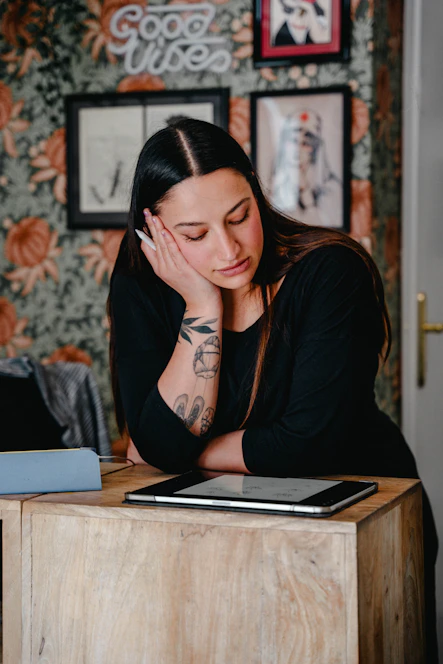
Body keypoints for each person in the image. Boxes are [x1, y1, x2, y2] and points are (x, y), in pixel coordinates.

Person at [107, 118, 438, 661]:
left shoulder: (330, 270)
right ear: (157, 233)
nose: (229, 247)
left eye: (240, 216)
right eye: (195, 234)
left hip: (362, 523)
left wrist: (178, 451)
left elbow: (307, 443)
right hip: (227, 533)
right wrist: (203, 307)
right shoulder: (142, 283)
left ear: (257, 195)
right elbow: (151, 446)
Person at [271, 108, 342, 226]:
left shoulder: (331, 187)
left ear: (315, 149)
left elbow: (322, 224)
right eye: (292, 141)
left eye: (305, 143)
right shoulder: (272, 185)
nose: (297, 151)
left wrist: (305, 190)